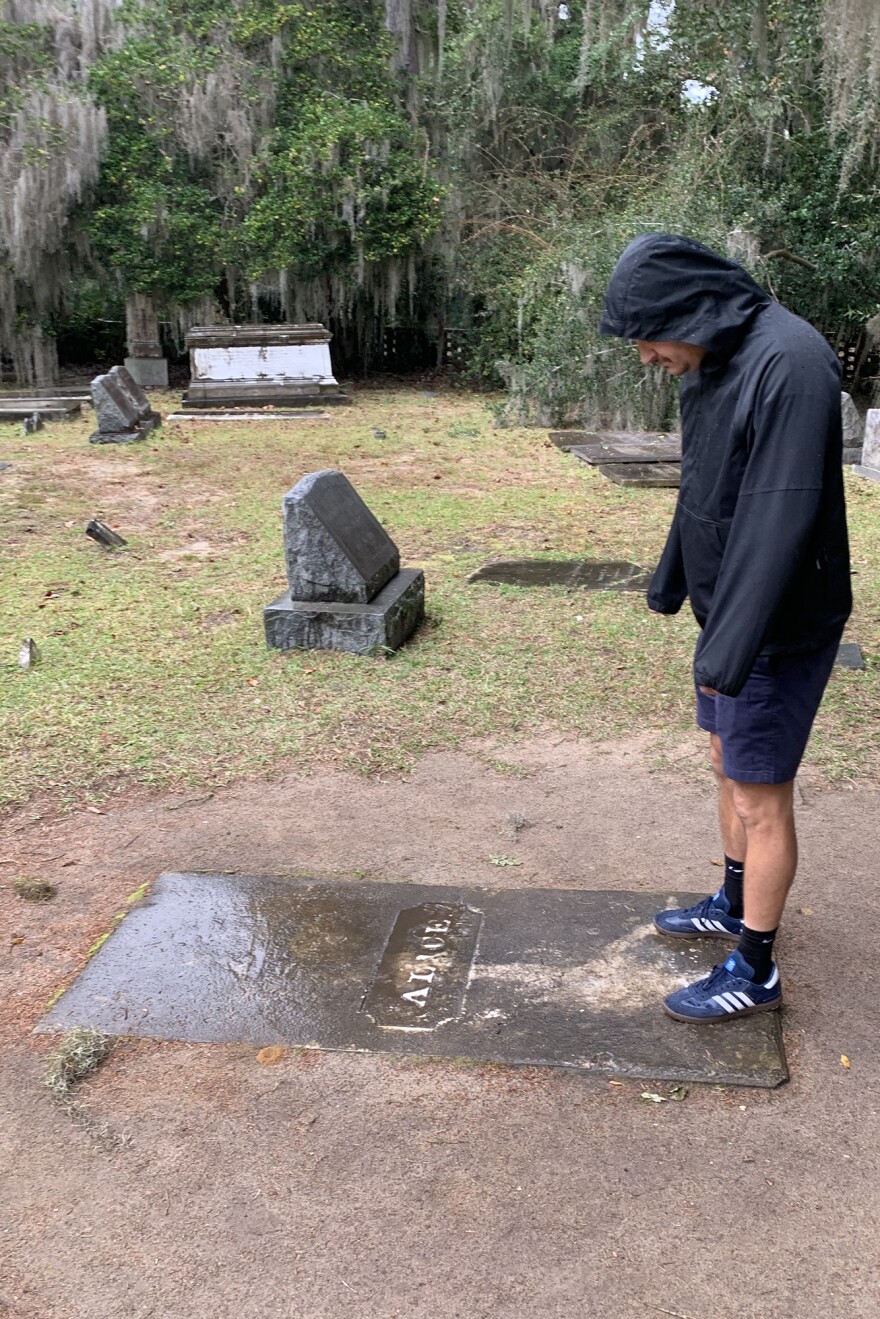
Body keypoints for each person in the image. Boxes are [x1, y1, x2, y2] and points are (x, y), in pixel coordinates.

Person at [600, 232, 852, 1023]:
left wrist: (730, 654)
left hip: (772, 624)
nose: (645, 356)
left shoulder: (791, 362)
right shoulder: (716, 354)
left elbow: (779, 517)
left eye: (646, 336)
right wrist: (679, 583)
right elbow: (704, 483)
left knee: (759, 793)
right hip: (730, 621)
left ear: (688, 311)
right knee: (725, 764)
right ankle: (731, 898)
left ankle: (757, 965)